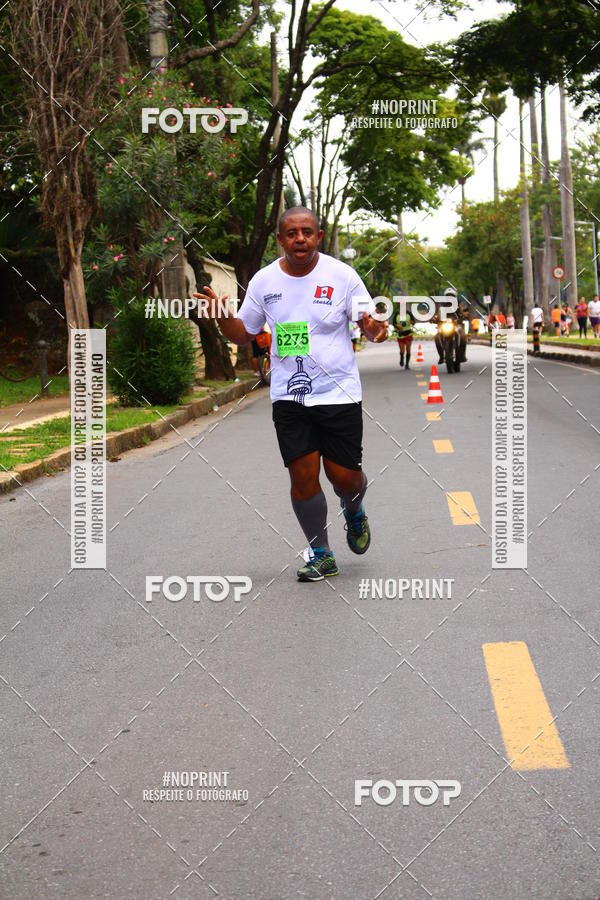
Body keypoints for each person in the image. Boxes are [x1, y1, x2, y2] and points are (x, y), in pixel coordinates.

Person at [194, 207, 387, 582]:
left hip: (338, 393)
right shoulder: (265, 282)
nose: (300, 239)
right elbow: (243, 333)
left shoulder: (342, 276)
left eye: (308, 232)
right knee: (302, 476)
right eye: (292, 233)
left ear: (318, 236)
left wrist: (373, 327)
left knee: (344, 478)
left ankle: (354, 506)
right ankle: (321, 552)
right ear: (281, 239)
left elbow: (373, 329)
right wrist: (221, 316)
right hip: (290, 396)